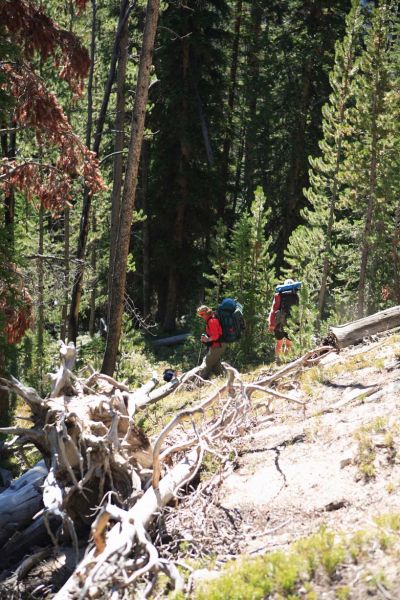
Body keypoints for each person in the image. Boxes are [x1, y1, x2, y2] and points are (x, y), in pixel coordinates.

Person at [268, 278, 299, 362]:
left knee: (279, 343)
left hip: (279, 323)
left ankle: (278, 360)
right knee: (288, 344)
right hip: (293, 323)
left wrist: (271, 324)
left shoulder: (278, 295)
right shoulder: (297, 295)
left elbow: (273, 310)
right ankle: (285, 360)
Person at [196, 305, 227, 380]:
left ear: (206, 313)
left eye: (202, 314)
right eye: (200, 315)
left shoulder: (212, 321)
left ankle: (199, 381)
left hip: (218, 345)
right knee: (215, 363)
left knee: (207, 361)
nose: (201, 316)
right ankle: (224, 378)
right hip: (218, 345)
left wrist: (207, 339)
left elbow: (216, 336)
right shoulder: (212, 318)